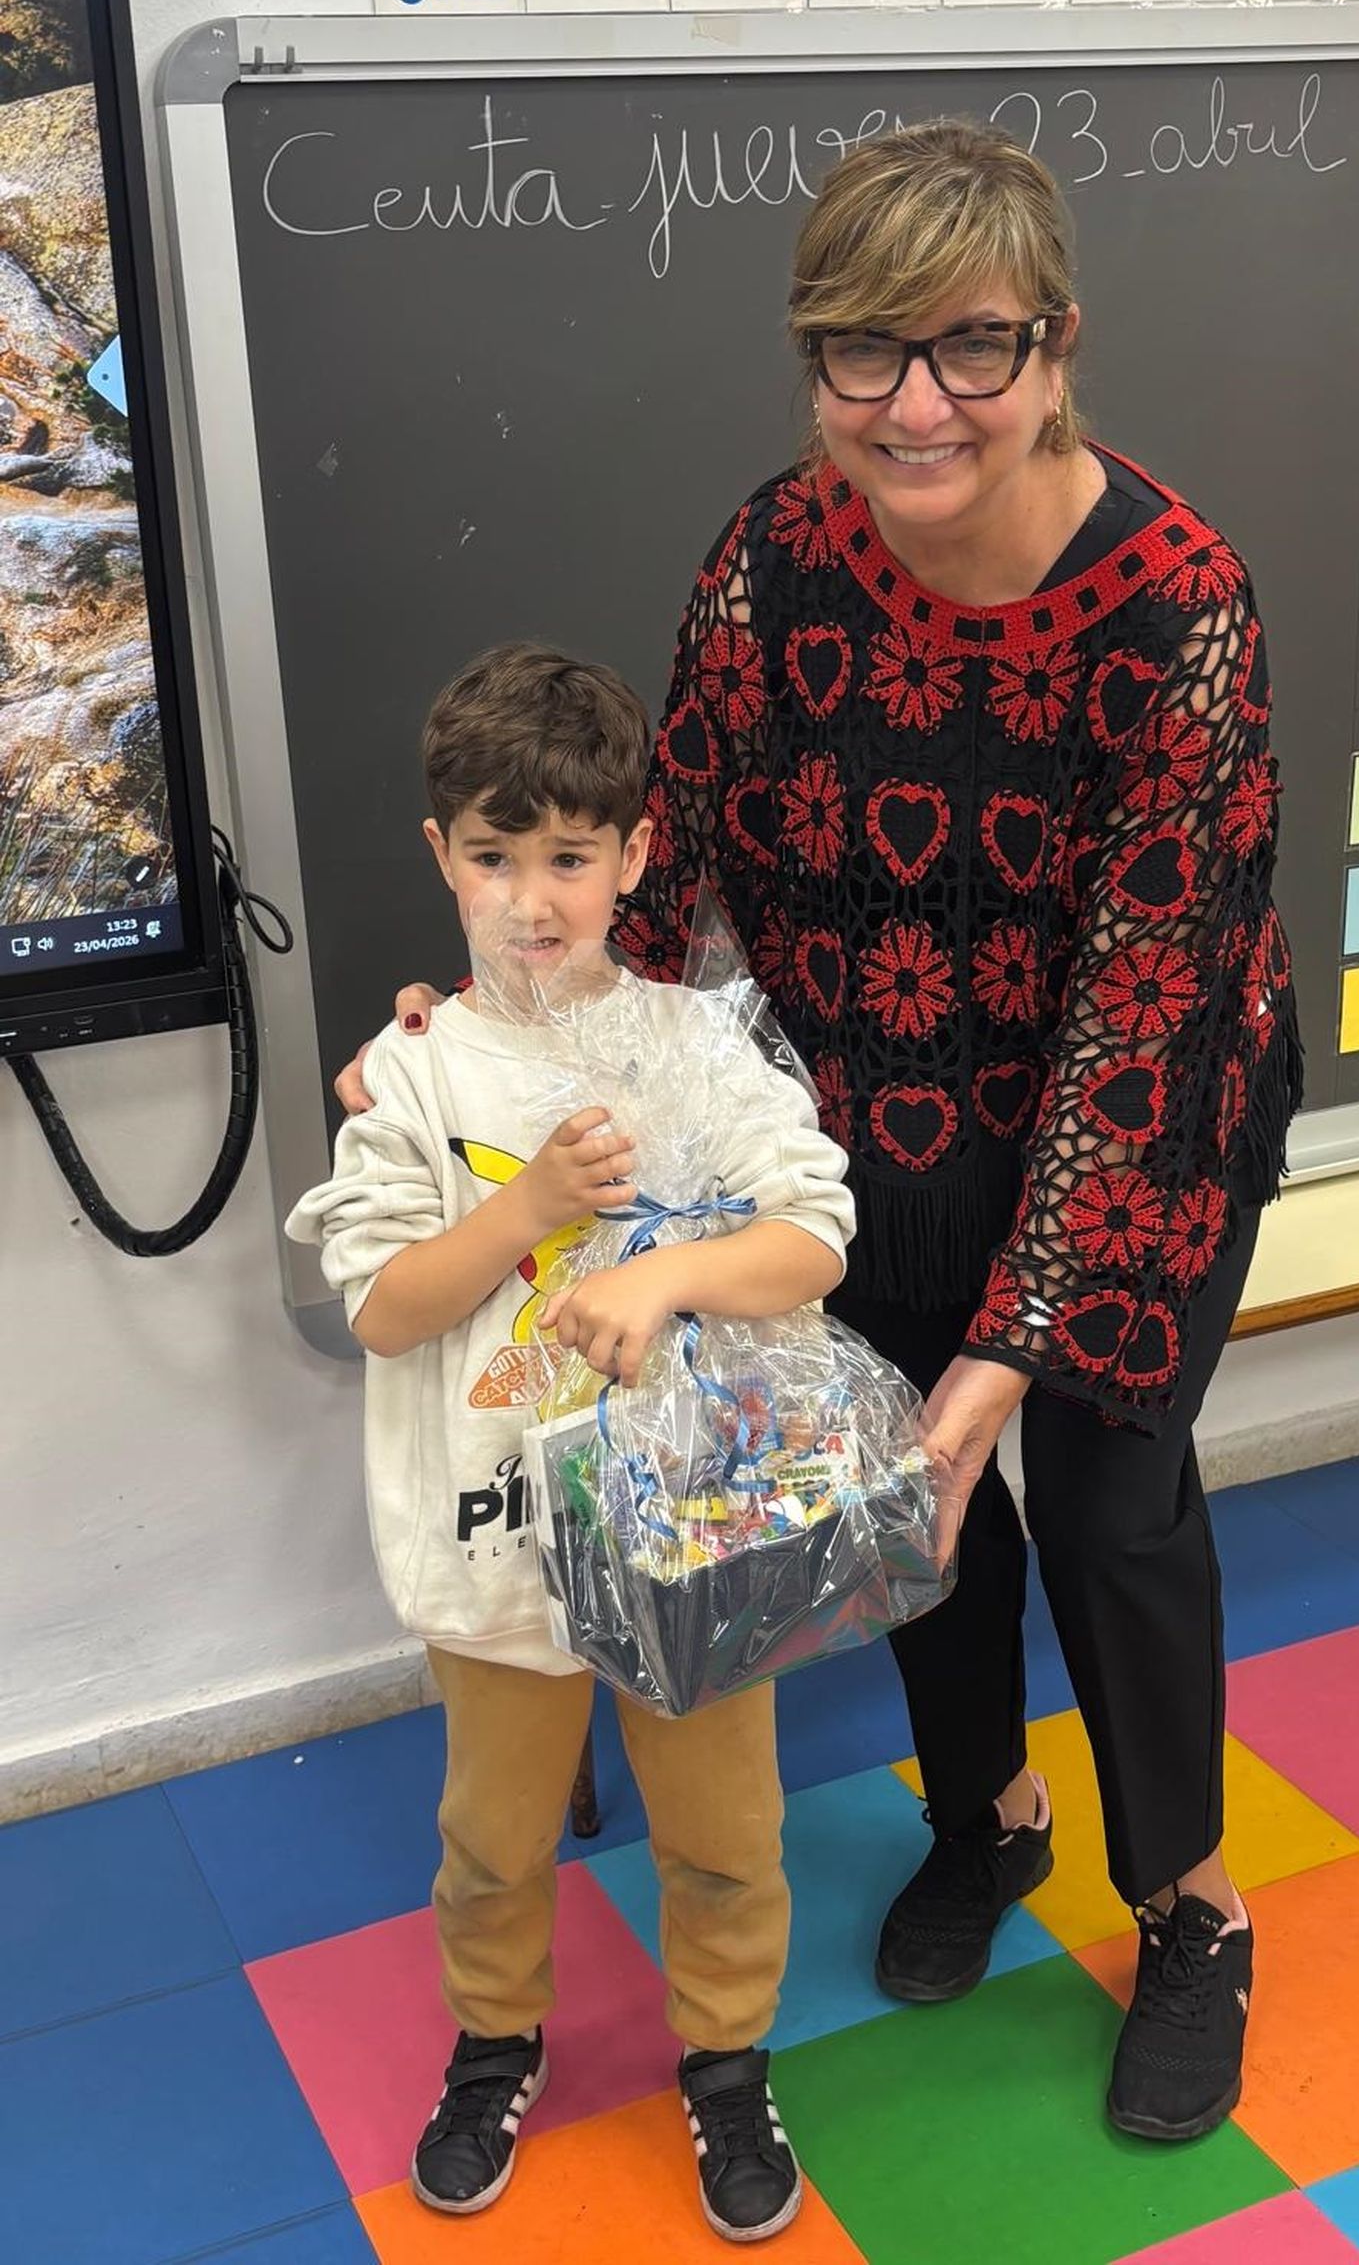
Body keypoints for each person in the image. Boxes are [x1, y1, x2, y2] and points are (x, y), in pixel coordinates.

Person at [338, 120, 1301, 2144]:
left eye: (967, 347)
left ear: (1052, 345)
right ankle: (988, 1816)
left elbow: (1138, 1013)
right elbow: (656, 855)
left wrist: (1004, 1347)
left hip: (1138, 1120)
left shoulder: (1176, 608)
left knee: (1106, 1510)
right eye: (860, 353)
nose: (913, 404)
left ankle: (1187, 1905)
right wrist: (499, 1021)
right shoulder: (774, 553)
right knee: (900, 1510)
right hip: (860, 1099)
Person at [295, 644, 856, 2239]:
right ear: (440, 858)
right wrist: (535, 1203)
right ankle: (495, 2042)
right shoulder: (409, 1073)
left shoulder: (697, 1042)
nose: (532, 899)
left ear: (634, 854)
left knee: (727, 1832)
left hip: (695, 1528)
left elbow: (814, 1235)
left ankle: (728, 2058)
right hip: (493, 1540)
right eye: (493, 856)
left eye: (567, 857)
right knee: (491, 1834)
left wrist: (674, 1274)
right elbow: (388, 1311)